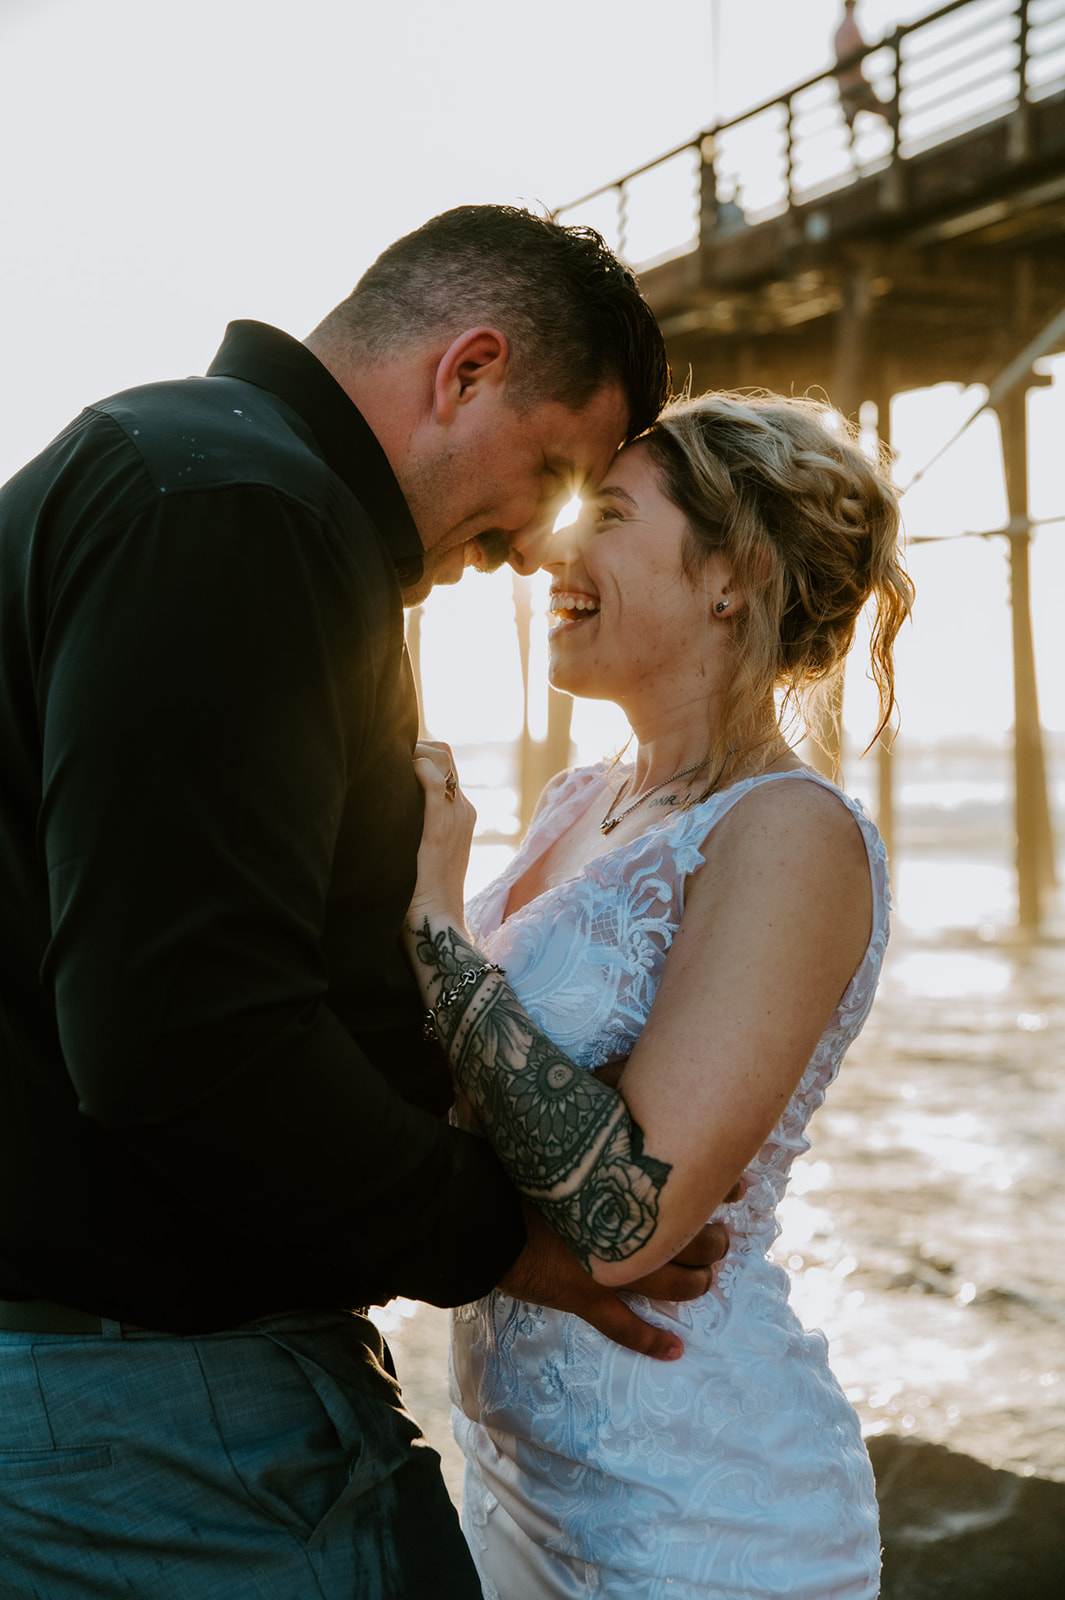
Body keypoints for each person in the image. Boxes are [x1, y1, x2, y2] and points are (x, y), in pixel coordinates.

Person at [0, 205, 731, 1600]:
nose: (534, 546)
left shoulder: (172, 467)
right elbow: (183, 1030)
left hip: (97, 1381)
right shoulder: (241, 516)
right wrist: (498, 1239)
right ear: (466, 370)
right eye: (556, 469)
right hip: (166, 1413)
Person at [404, 389, 913, 1598]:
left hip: (703, 1515)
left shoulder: (791, 832)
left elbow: (627, 1217)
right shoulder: (583, 802)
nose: (548, 553)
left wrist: (430, 921)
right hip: (528, 1482)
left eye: (607, 515)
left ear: (730, 577)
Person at [834, 0, 889, 134]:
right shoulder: (850, 27)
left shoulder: (839, 31)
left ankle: (852, 150)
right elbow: (859, 49)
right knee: (887, 111)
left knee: (851, 125)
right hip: (857, 86)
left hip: (845, 88)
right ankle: (897, 143)